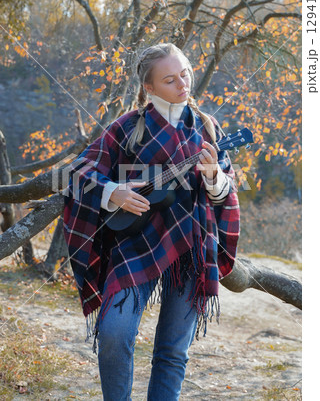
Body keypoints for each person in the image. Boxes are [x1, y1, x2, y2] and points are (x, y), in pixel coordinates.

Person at [63, 43, 240, 400]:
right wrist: (113, 191)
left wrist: (213, 178)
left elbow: (227, 193)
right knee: (114, 333)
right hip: (133, 244)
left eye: (186, 73)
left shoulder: (207, 127)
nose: (183, 84)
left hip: (191, 245)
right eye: (170, 79)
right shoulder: (128, 127)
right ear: (150, 87)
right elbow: (75, 171)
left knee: (173, 352)